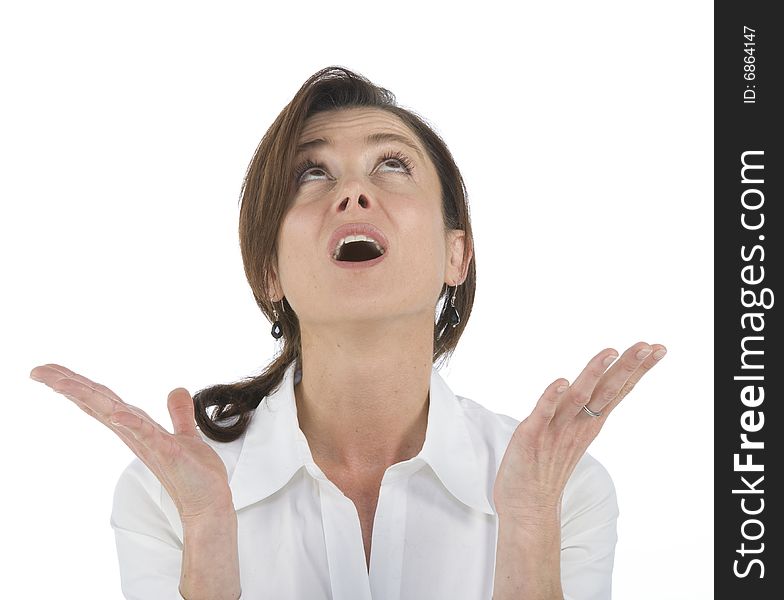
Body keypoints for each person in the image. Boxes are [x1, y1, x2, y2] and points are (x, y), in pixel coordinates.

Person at [29, 66, 666, 600]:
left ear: (456, 256)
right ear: (269, 270)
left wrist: (527, 527)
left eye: (392, 164)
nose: (354, 193)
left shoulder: (561, 487)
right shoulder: (167, 494)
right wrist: (209, 537)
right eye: (313, 174)